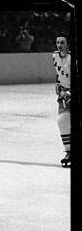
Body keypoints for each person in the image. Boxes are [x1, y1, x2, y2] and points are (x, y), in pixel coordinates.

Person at [52, 35, 71, 167]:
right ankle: (69, 151)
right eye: (58, 42)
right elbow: (58, 76)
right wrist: (59, 88)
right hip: (64, 93)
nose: (59, 45)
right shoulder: (54, 56)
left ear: (68, 44)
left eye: (62, 42)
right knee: (62, 120)